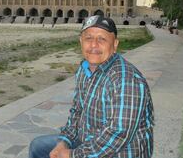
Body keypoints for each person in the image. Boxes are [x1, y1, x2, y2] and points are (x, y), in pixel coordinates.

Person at [29, 15, 154, 158]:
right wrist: (64, 142)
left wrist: (72, 155)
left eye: (102, 39)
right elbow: (77, 111)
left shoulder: (127, 81)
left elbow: (117, 136)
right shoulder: (85, 69)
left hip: (120, 152)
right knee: (38, 147)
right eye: (88, 38)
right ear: (81, 41)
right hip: (88, 141)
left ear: (115, 45)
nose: (94, 45)